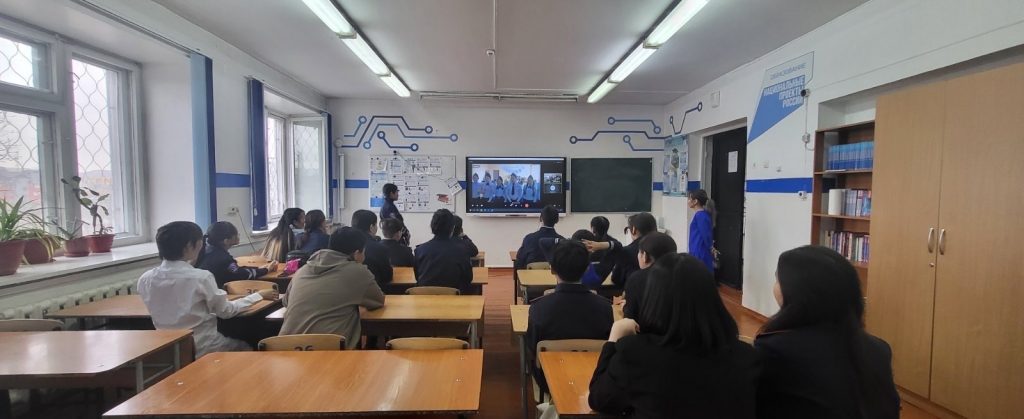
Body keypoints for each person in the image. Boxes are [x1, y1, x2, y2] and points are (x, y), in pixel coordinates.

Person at [588, 253, 760, 418]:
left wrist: (613, 340)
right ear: (712, 298)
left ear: (654, 299)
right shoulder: (748, 357)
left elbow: (599, 399)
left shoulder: (635, 354)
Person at [756, 246, 899, 419]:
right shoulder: (879, 349)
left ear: (799, 293)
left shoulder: (774, 350)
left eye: (778, 279)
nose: (775, 286)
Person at [138, 221, 278, 357]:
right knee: (247, 346)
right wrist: (258, 295)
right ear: (189, 246)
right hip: (204, 347)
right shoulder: (201, 277)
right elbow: (226, 311)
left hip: (169, 349)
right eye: (200, 241)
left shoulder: (145, 279)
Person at [526, 239, 613, 397]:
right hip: (594, 378)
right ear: (587, 269)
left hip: (549, 380)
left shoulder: (539, 308)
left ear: (552, 269)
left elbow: (532, 347)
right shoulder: (605, 307)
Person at [280, 227, 385, 349]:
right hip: (327, 349)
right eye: (364, 252)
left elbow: (286, 302)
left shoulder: (302, 270)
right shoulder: (357, 271)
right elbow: (378, 300)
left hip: (285, 347)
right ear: (357, 254)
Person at [583, 212, 657, 289]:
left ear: (633, 229)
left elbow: (616, 279)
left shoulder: (626, 251)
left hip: (635, 292)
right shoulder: (664, 245)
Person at [197, 221, 277, 289]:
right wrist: (266, 270)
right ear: (226, 241)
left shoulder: (203, 251)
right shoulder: (224, 259)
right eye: (235, 235)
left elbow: (235, 270)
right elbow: (241, 274)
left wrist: (258, 268)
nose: (238, 237)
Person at [414, 209, 473, 292]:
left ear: (432, 226)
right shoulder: (462, 250)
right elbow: (468, 278)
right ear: (452, 228)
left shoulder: (419, 250)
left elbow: (418, 277)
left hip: (425, 297)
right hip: (454, 297)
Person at [622, 232, 676, 319]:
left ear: (644, 256)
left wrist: (625, 307)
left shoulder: (636, 279)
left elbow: (630, 317)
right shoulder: (686, 275)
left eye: (639, 252)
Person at [351, 209, 393, 286]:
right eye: (376, 225)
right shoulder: (380, 248)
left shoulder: (344, 244)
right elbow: (387, 277)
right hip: (373, 289)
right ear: (371, 227)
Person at [688, 189, 715, 274]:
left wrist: (711, 248)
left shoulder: (701, 216)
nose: (688, 201)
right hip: (696, 251)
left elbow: (706, 235)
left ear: (695, 201)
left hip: (700, 252)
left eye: (689, 198)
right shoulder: (699, 215)